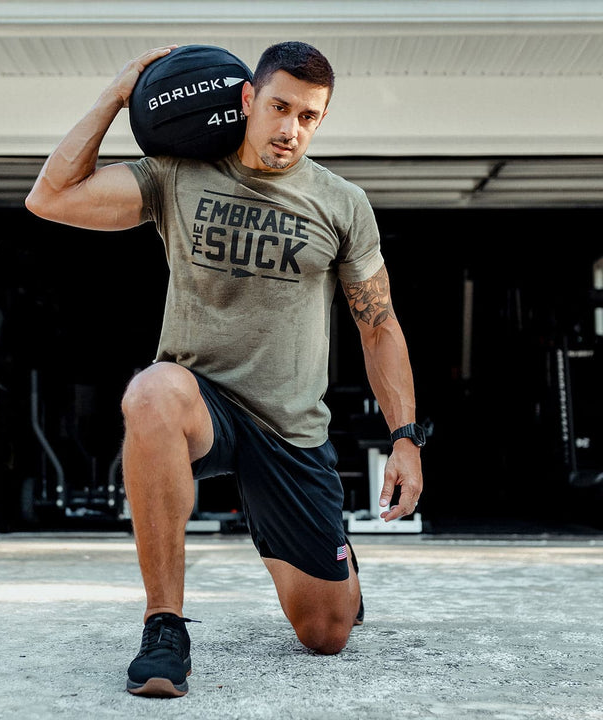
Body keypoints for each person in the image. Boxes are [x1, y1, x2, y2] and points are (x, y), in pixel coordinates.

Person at [26, 41, 424, 699]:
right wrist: (118, 93)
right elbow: (52, 197)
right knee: (150, 392)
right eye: (280, 107)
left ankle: (335, 566)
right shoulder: (178, 175)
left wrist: (406, 437)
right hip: (200, 401)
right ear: (247, 100)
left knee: (325, 634)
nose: (291, 128)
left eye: (310, 116)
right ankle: (164, 626)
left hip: (290, 430)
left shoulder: (340, 203)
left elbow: (378, 325)